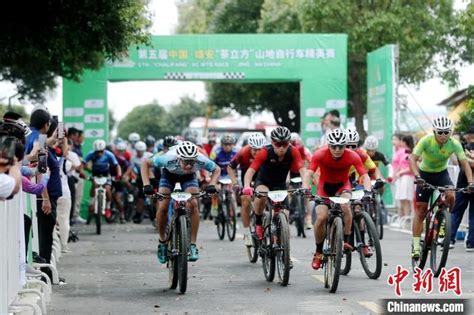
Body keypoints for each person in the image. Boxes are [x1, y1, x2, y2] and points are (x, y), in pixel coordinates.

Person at [302, 128, 373, 269]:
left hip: (342, 186)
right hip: (324, 188)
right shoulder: (320, 154)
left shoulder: (352, 156)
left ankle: (346, 240)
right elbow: (309, 173)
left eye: (340, 146)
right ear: (328, 145)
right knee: (321, 217)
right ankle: (318, 252)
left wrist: (368, 191)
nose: (337, 149)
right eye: (333, 146)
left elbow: (364, 175)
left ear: (345, 146)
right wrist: (306, 186)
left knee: (346, 207)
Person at [141, 141, 221, 263]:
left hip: (188, 178)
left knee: (194, 204)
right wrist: (146, 185)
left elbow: (216, 169)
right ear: (179, 158)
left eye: (191, 162)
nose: (188, 166)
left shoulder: (200, 159)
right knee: (163, 207)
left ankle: (193, 245)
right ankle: (162, 242)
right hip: (169, 176)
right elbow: (145, 164)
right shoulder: (168, 158)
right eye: (185, 162)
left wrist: (212, 184)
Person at [409, 116, 474, 259]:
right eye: (440, 132)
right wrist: (417, 177)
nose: (443, 135)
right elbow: (412, 159)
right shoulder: (426, 140)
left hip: (442, 174)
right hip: (424, 175)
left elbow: (464, 164)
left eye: (446, 132)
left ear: (450, 132)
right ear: (434, 131)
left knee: (451, 195)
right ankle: (416, 245)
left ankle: (444, 222)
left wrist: (471, 183)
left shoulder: (454, 143)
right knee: (421, 210)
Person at [242, 126, 305, 241]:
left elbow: (302, 169)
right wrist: (247, 186)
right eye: (278, 144)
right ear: (272, 143)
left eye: (285, 144)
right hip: (263, 182)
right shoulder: (265, 152)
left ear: (289, 143)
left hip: (280, 185)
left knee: (285, 217)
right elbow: (250, 171)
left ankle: (285, 251)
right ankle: (259, 223)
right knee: (262, 197)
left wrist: (306, 186)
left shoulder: (293, 151)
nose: (281, 148)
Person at [227, 132, 267, 246]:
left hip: (262, 176)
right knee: (245, 200)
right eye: (254, 149)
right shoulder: (243, 152)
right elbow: (230, 167)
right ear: (250, 147)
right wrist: (234, 183)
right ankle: (247, 233)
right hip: (247, 177)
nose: (257, 152)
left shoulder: (268, 152)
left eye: (260, 149)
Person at [83, 139, 121, 221]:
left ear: (104, 149)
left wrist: (119, 174)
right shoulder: (91, 154)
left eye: (101, 151)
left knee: (107, 189)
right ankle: (92, 203)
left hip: (106, 175)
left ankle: (107, 207)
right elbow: (83, 164)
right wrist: (82, 172)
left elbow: (117, 166)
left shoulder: (109, 154)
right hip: (95, 174)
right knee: (94, 185)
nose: (99, 153)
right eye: (97, 152)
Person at [450, 126, 474, 251]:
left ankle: (449, 239)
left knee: (456, 212)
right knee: (472, 215)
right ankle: (471, 243)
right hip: (466, 183)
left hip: (463, 184)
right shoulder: (463, 147)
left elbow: (464, 162)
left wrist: (469, 158)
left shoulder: (464, 147)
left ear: (469, 135)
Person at [209, 134, 238, 216]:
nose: (228, 147)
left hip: (230, 176)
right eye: (225, 144)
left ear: (233, 145)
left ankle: (232, 215)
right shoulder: (215, 152)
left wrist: (236, 180)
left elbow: (238, 168)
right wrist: (213, 180)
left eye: (230, 144)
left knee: (232, 193)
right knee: (215, 191)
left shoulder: (236, 153)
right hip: (219, 175)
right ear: (222, 145)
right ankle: (214, 205)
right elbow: (211, 165)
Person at [392, 135, 415, 221]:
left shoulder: (410, 153)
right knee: (402, 199)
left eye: (402, 141)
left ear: (405, 142)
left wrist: (401, 172)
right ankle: (403, 218)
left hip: (408, 178)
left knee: (406, 199)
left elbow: (411, 168)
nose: (401, 143)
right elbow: (400, 165)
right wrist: (396, 174)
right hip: (402, 178)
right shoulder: (404, 152)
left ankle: (406, 219)